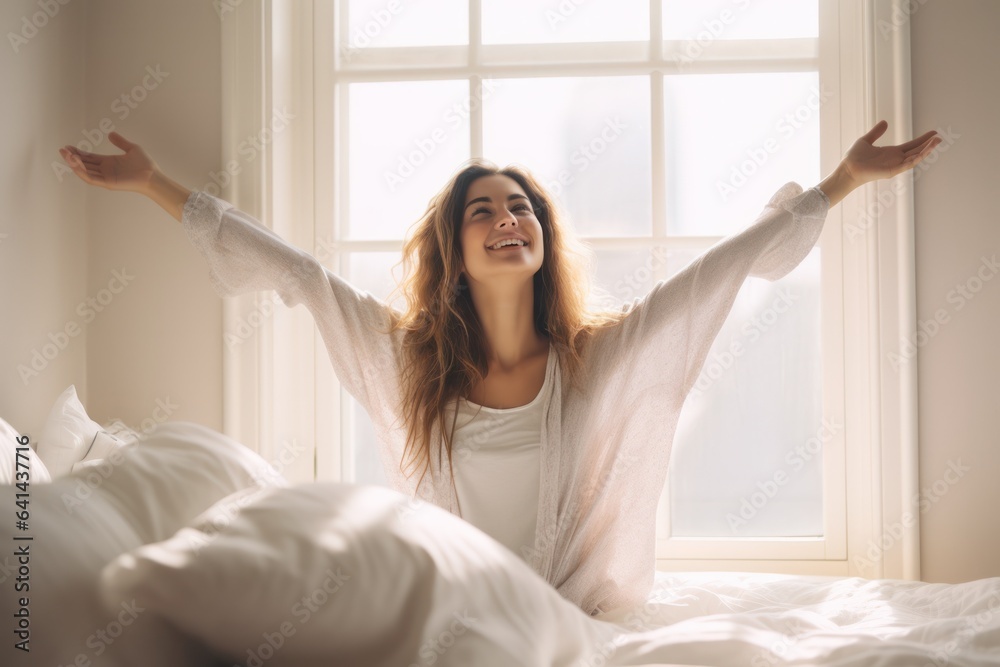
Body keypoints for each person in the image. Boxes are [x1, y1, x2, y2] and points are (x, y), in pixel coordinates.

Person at [58, 121, 941, 617]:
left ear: (543, 237)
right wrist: (153, 184)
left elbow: (721, 270)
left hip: (579, 616)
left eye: (522, 208)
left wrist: (841, 182)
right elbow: (296, 273)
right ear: (457, 248)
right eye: (484, 211)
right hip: (460, 611)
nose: (509, 219)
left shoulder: (599, 356)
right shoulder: (406, 360)